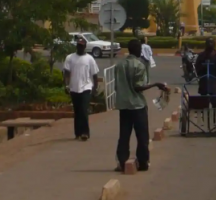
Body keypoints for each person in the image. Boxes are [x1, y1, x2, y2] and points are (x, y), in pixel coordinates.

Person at [113, 39, 168, 173]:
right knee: (142, 135)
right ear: (137, 50)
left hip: (123, 105)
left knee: (124, 135)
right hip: (137, 105)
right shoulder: (139, 65)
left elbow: (117, 86)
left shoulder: (119, 65)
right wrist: (156, 85)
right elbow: (138, 87)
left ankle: (122, 162)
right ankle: (143, 162)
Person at [63, 37, 100, 141]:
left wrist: (95, 88)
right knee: (77, 111)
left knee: (84, 110)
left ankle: (85, 132)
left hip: (86, 87)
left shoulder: (90, 59)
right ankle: (78, 133)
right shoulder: (70, 58)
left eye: (82, 46)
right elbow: (66, 73)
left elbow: (95, 75)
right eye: (78, 45)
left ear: (85, 47)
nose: (80, 47)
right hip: (74, 88)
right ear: (76, 46)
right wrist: (66, 85)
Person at [195, 38, 216, 108]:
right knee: (204, 105)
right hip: (204, 83)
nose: (210, 44)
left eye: (211, 42)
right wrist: (203, 67)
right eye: (208, 42)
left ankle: (215, 117)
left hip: (215, 83)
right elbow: (197, 69)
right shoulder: (201, 56)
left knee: (215, 104)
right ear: (205, 44)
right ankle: (206, 118)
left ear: (214, 44)